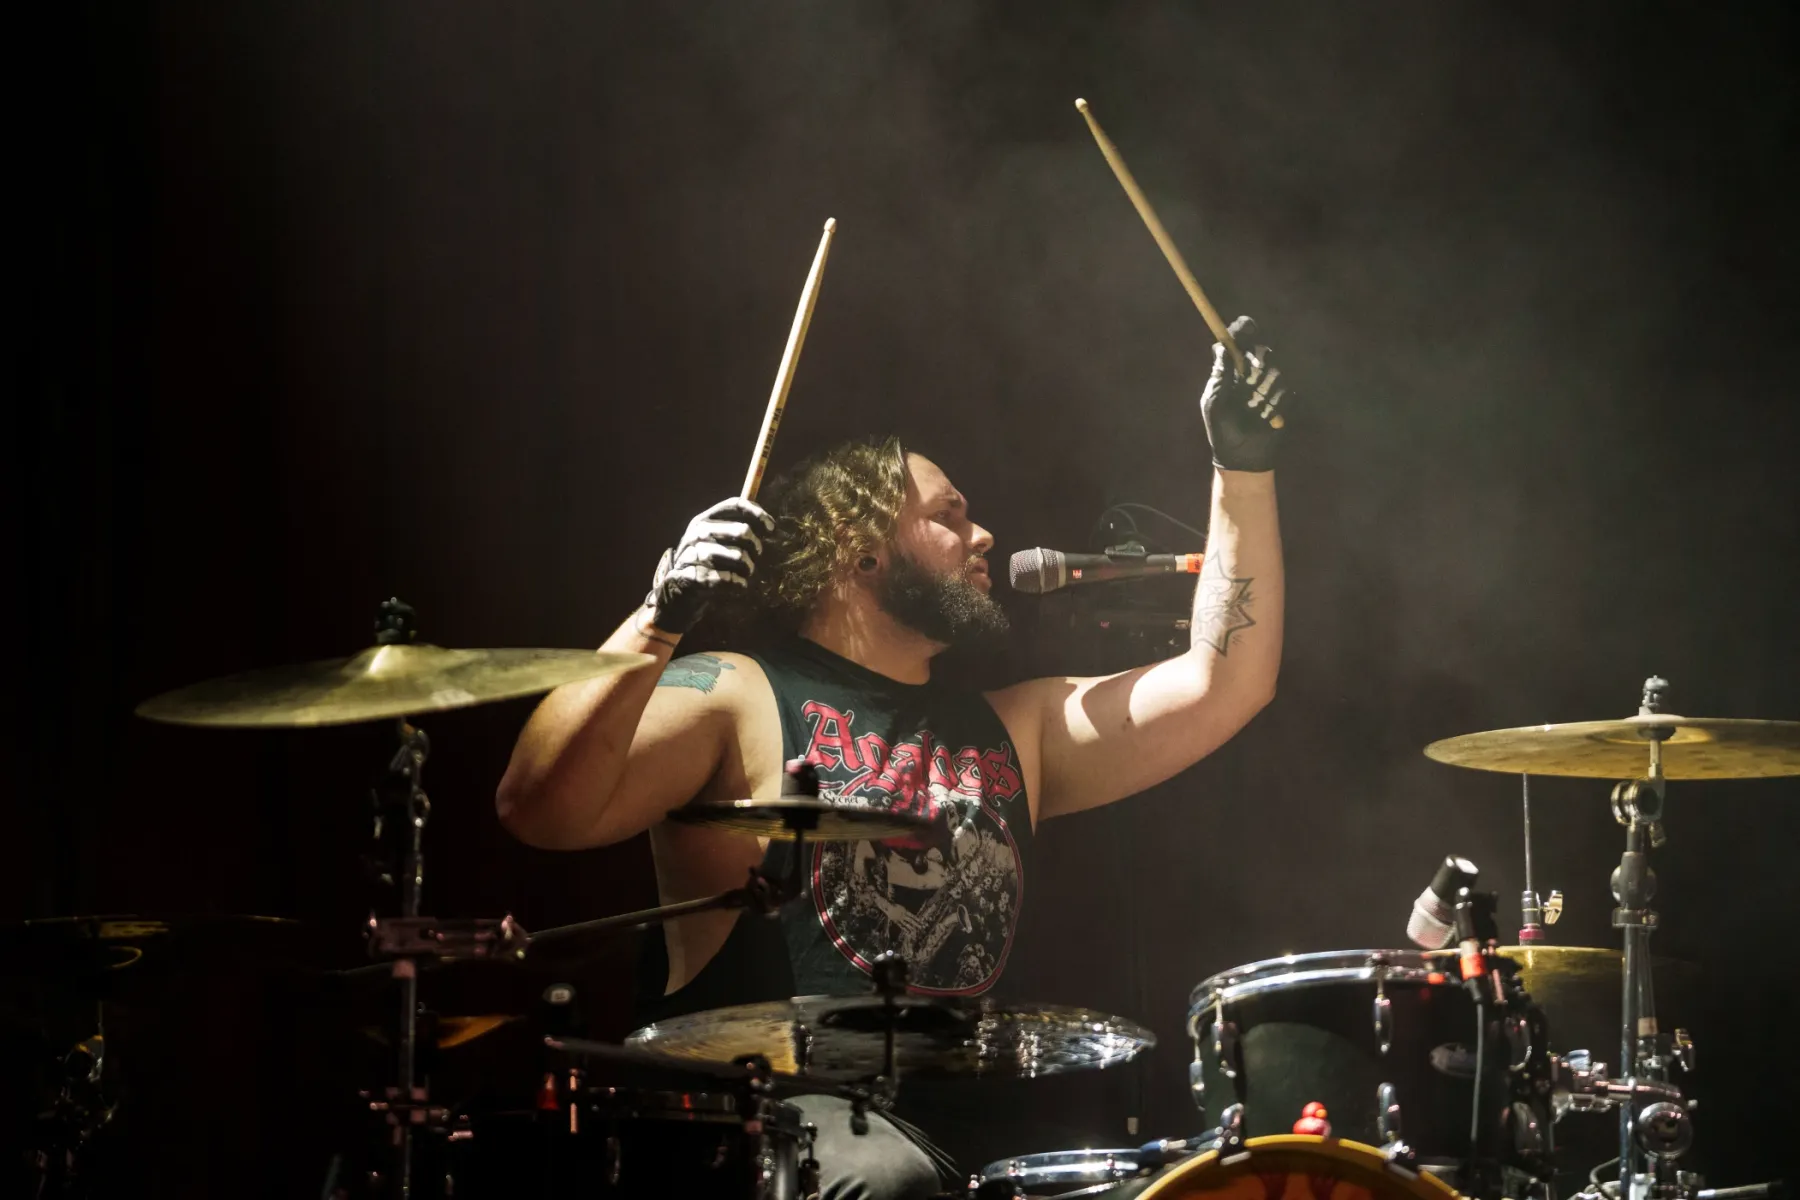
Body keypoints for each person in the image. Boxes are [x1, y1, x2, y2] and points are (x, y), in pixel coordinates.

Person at [497, 318, 1295, 1200]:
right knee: (889, 1179)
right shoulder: (734, 692)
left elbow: (1226, 683)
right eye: (949, 515)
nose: (983, 534)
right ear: (861, 546)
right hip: (779, 1129)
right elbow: (542, 809)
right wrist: (658, 619)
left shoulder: (1014, 725)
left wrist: (1242, 469)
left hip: (974, 1122)